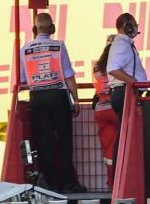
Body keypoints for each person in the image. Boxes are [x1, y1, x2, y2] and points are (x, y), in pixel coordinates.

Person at [19, 12, 83, 193]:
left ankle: (51, 184)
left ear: (34, 29)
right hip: (58, 96)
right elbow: (68, 76)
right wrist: (76, 100)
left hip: (37, 98)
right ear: (52, 28)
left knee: (45, 141)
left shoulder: (25, 49)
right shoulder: (59, 46)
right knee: (64, 139)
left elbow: (23, 79)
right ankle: (69, 183)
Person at [107, 13, 148, 173]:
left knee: (125, 135)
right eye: (134, 24)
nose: (136, 28)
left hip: (125, 92)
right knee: (125, 136)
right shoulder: (121, 44)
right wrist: (133, 82)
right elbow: (113, 69)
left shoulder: (124, 44)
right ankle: (122, 172)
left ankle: (122, 172)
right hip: (125, 93)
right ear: (127, 26)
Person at [92, 35, 117, 188]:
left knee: (108, 149)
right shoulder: (119, 63)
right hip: (116, 109)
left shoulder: (96, 66)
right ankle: (122, 181)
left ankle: (111, 183)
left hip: (101, 110)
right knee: (123, 146)